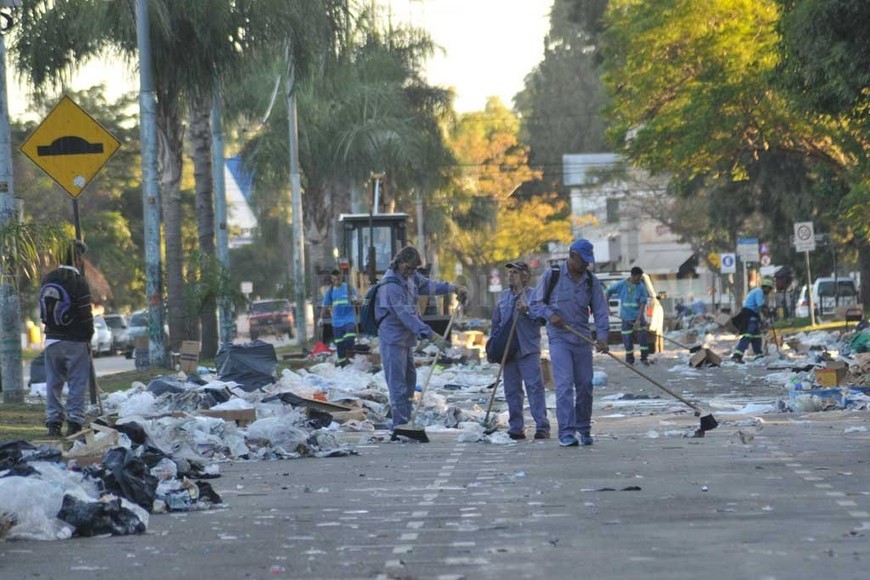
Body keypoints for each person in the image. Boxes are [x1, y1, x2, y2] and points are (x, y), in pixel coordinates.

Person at [375, 245, 468, 436]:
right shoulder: (390, 286)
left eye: (413, 269)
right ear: (399, 262)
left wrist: (453, 288)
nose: (410, 272)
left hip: (406, 341)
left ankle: (406, 421)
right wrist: (431, 335)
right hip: (393, 341)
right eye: (407, 268)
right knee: (398, 386)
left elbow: (429, 286)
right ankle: (400, 428)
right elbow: (407, 316)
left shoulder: (410, 277)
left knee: (410, 382)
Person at [529, 239, 609, 447]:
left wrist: (602, 338)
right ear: (572, 256)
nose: (586, 266)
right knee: (564, 385)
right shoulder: (552, 275)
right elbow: (535, 303)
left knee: (585, 385)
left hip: (582, 338)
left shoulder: (591, 281)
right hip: (559, 338)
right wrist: (550, 315)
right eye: (583, 261)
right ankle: (566, 432)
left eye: (588, 262)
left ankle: (583, 428)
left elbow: (600, 311)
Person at [40, 240, 94, 437]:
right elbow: (85, 314)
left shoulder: (49, 278)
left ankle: (53, 423)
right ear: (78, 259)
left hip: (52, 339)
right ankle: (74, 423)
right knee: (77, 383)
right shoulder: (79, 282)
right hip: (76, 340)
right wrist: (89, 335)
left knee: (53, 382)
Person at [491, 261, 550, 440]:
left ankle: (542, 426)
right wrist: (493, 348)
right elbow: (496, 323)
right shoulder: (503, 297)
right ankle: (516, 427)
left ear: (525, 276)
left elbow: (542, 318)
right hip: (508, 351)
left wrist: (527, 310)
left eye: (515, 273)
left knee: (534, 387)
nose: (511, 275)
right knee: (511, 390)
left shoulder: (534, 296)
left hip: (527, 349)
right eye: (510, 273)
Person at [606, 266, 650, 365]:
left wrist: (639, 319)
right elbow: (607, 293)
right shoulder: (621, 284)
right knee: (627, 340)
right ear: (632, 276)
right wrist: (607, 308)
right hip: (626, 318)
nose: (639, 280)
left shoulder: (641, 287)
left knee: (643, 339)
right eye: (637, 278)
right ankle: (629, 360)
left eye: (640, 278)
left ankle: (644, 358)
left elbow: (643, 303)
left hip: (638, 317)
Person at [321, 269, 360, 367]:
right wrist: (321, 318)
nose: (336, 282)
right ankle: (342, 364)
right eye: (334, 280)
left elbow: (362, 302)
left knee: (349, 338)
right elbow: (325, 306)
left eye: (338, 279)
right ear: (332, 280)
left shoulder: (349, 288)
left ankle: (350, 358)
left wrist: (356, 300)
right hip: (337, 322)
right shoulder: (329, 292)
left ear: (341, 278)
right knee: (339, 344)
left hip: (349, 319)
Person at [731, 277, 774, 363]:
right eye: (769, 290)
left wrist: (766, 317)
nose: (769, 292)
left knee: (757, 337)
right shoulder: (759, 292)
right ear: (766, 287)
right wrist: (769, 313)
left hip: (753, 315)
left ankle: (759, 355)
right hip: (749, 315)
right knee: (748, 336)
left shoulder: (758, 292)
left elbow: (760, 308)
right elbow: (761, 305)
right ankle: (737, 355)